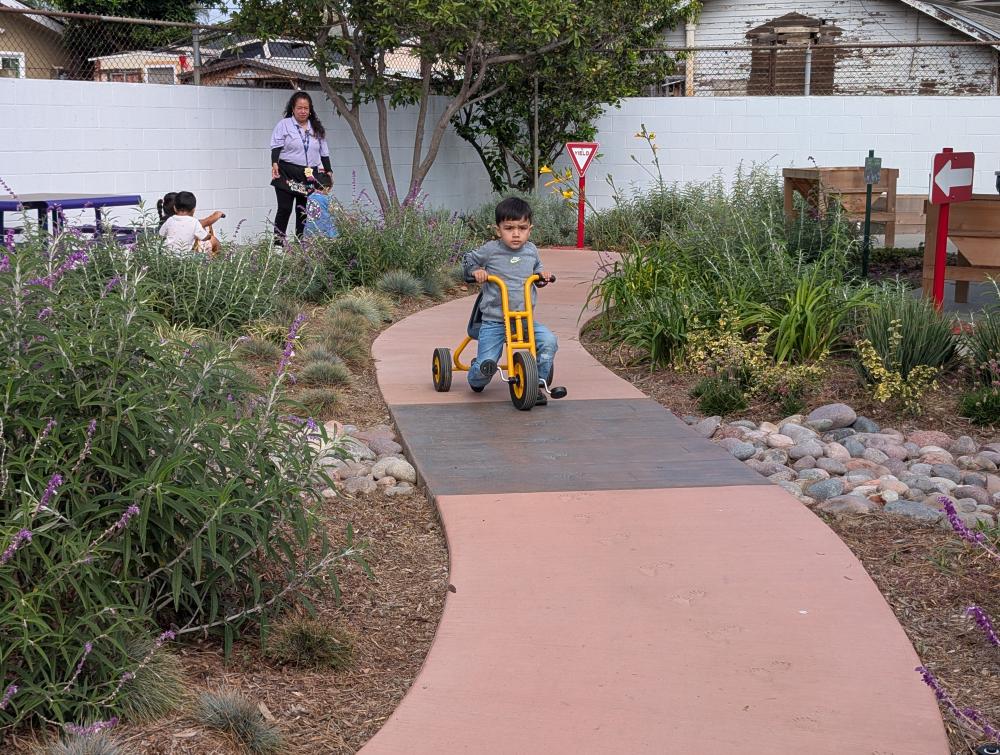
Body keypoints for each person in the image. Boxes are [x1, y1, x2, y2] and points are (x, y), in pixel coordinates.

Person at [462, 196, 557, 403]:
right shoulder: (491, 249)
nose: (516, 234)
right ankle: (477, 373)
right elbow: (468, 258)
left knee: (549, 341)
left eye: (522, 228)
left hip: (524, 321)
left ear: (529, 229)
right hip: (495, 321)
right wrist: (476, 270)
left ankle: (537, 384)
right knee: (485, 367)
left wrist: (542, 277)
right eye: (509, 228)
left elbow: (537, 270)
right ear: (498, 230)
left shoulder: (531, 250)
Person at [270, 91, 333, 243]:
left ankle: (300, 243)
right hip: (287, 172)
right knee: (284, 208)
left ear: (310, 109)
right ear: (293, 108)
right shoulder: (284, 125)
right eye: (299, 108)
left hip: (308, 174)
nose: (303, 111)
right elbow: (276, 146)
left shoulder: (316, 127)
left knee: (303, 210)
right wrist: (274, 163)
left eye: (306, 108)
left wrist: (329, 170)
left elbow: (324, 152)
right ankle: (278, 244)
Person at [158, 191, 223, 256]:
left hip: (166, 256)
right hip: (184, 257)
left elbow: (161, 234)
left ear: (175, 208)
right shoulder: (194, 222)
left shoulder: (169, 220)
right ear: (193, 209)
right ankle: (221, 261)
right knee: (212, 242)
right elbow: (204, 236)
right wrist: (208, 235)